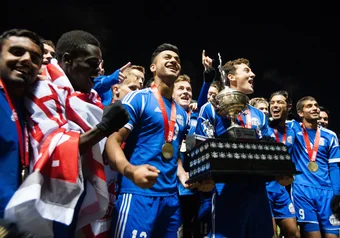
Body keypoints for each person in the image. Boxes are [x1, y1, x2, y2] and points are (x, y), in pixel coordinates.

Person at [4, 30, 129, 237]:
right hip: (47, 202)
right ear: (67, 60)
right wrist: (104, 128)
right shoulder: (44, 89)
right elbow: (57, 147)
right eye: (91, 63)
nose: (97, 71)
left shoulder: (87, 97)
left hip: (73, 199)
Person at [105, 43, 189, 237]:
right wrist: (131, 170)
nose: (173, 61)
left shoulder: (183, 114)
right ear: (153, 67)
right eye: (167, 57)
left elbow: (172, 150)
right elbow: (112, 141)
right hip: (137, 194)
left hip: (171, 200)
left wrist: (182, 172)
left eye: (177, 59)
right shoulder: (137, 99)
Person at [196, 57, 275, 238]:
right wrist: (205, 178)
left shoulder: (259, 115)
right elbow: (202, 147)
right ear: (230, 77)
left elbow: (269, 148)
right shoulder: (211, 108)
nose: (253, 74)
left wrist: (281, 173)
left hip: (258, 190)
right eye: (246, 70)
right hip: (226, 188)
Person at [0, 28, 43, 219]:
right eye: (17, 52)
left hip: (14, 219)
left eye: (35, 58)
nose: (27, 60)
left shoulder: (30, 105)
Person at [290, 96, 340, 238]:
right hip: (302, 189)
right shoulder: (293, 129)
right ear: (300, 113)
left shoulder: (330, 136)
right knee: (313, 236)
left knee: (332, 236)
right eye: (309, 106)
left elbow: (334, 166)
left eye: (316, 105)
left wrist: (337, 193)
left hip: (327, 192)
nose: (314, 108)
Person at [267, 90, 300, 238]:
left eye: (279, 102)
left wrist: (290, 174)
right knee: (270, 234)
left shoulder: (292, 132)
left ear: (289, 106)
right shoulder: (263, 128)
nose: (275, 105)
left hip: (280, 190)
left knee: (293, 233)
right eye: (272, 103)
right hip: (263, 188)